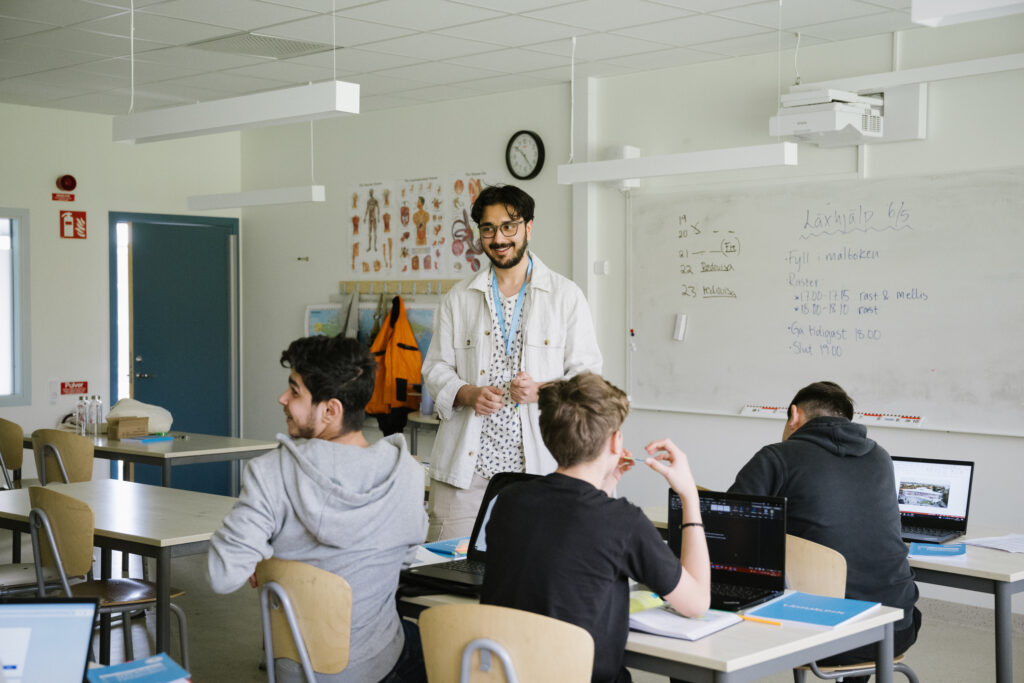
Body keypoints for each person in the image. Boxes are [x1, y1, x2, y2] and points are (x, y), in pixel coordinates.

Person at [207, 335, 427, 683]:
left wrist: (265, 560)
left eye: (294, 391)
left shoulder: (270, 472)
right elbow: (405, 559)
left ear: (331, 410)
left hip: (295, 671)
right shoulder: (409, 475)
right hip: (378, 665)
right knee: (437, 642)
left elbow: (223, 574)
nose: (282, 399)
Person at [481, 372, 710, 683]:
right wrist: (689, 495)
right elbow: (696, 603)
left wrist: (607, 482)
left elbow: (568, 536)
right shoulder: (623, 522)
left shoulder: (510, 499)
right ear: (616, 442)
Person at [422, 184, 603, 541]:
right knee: (446, 574)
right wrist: (467, 392)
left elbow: (588, 377)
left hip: (538, 468)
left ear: (528, 228)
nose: (498, 237)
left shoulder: (565, 297)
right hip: (466, 471)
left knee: (532, 579)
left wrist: (541, 390)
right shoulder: (458, 298)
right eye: (488, 228)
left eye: (509, 226)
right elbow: (435, 368)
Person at [728, 380, 920, 679]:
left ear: (795, 415)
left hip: (819, 632)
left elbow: (729, 532)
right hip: (895, 628)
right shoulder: (880, 457)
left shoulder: (777, 457)